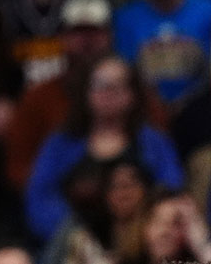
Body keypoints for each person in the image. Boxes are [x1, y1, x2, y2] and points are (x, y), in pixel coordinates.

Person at [3, 0, 168, 193]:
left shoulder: (140, 93)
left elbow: (165, 166)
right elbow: (18, 169)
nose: (87, 41)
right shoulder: (38, 97)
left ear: (110, 35)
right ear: (62, 36)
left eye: (95, 32)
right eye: (78, 32)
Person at [25, 56, 183, 242]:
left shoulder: (154, 142)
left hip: (142, 241)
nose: (107, 92)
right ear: (86, 92)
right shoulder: (61, 143)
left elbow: (172, 191)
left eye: (117, 85)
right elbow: (39, 199)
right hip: (74, 244)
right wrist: (74, 234)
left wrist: (142, 230)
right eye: (99, 84)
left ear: (132, 94)